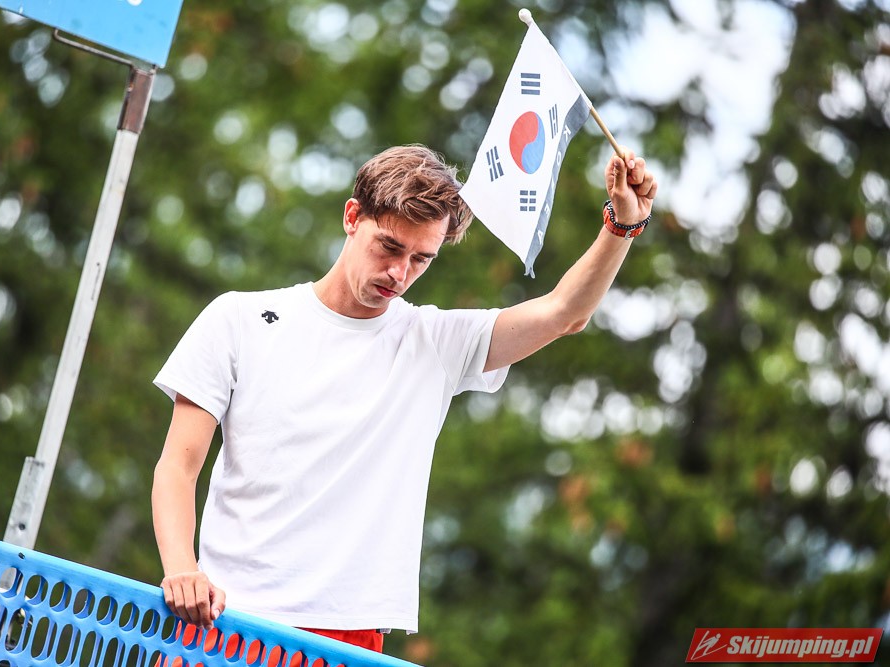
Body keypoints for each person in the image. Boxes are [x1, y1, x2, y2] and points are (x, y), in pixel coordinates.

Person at [151, 144, 657, 655]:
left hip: (347, 633)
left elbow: (565, 313)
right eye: (389, 247)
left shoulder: (435, 341)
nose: (400, 272)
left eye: (421, 259)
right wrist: (182, 570)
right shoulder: (238, 319)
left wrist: (622, 226)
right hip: (223, 618)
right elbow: (178, 466)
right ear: (353, 217)